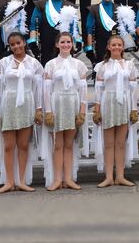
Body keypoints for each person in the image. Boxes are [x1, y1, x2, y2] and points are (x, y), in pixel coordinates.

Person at [0, 32, 44, 193]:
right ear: (10, 46)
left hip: (27, 103)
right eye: (12, 44)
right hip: (9, 103)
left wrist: (39, 110)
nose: (16, 47)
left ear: (24, 43)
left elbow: (38, 89)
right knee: (8, 146)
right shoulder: (3, 63)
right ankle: (9, 182)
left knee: (23, 145)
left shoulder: (34, 64)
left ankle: (21, 181)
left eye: (18, 43)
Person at [40, 32, 89, 191]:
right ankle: (56, 179)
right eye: (63, 42)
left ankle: (68, 179)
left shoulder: (79, 65)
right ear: (57, 44)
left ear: (72, 45)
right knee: (58, 144)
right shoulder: (51, 64)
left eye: (68, 42)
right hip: (57, 103)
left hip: (72, 103)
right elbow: (46, 90)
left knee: (69, 145)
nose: (66, 45)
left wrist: (82, 111)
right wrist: (48, 111)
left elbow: (83, 90)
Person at [93, 35, 139, 188]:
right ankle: (108, 177)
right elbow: (98, 90)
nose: (116, 47)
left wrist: (134, 109)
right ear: (108, 47)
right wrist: (97, 109)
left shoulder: (129, 65)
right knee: (108, 143)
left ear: (123, 47)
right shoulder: (101, 66)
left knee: (120, 143)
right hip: (108, 102)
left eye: (119, 45)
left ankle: (120, 175)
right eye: (113, 45)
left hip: (124, 103)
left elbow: (133, 89)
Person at [28, 0, 81, 65]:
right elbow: (33, 25)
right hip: (46, 45)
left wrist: (78, 41)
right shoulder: (41, 4)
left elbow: (74, 27)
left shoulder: (70, 6)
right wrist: (33, 41)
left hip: (65, 46)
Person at [85, 0, 136, 64]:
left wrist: (130, 42)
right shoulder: (93, 9)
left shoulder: (120, 8)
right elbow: (89, 31)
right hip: (100, 46)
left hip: (117, 47)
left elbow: (126, 30)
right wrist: (89, 48)